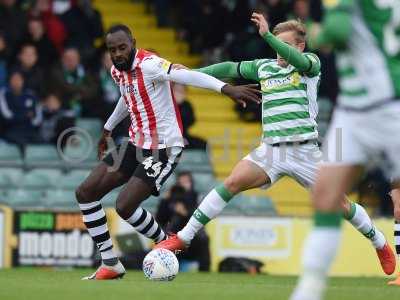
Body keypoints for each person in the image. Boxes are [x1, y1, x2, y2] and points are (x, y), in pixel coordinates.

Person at [155, 14, 395, 278]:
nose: (279, 52)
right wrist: (191, 74)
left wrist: (268, 35)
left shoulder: (309, 65)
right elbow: (229, 68)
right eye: (275, 45)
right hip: (271, 150)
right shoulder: (264, 67)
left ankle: (378, 241)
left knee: (341, 205)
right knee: (232, 182)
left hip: (304, 152)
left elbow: (300, 60)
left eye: (286, 45)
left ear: (300, 46)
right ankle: (183, 237)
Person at [75, 24, 261, 280]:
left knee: (125, 205)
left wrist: (226, 89)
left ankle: (167, 242)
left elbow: (187, 77)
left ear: (133, 43)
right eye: (112, 50)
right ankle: (110, 263)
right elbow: (126, 97)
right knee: (85, 193)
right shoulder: (117, 72)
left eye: (122, 48)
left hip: (163, 147)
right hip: (134, 143)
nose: (117, 54)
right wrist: (107, 128)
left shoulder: (151, 64)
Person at [284, 0, 400, 298]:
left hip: (386, 106)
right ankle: (309, 288)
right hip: (352, 110)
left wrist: (316, 32)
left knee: (327, 195)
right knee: (326, 193)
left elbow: (336, 30)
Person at [156, 182, 210, 272]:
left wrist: (184, 213)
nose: (178, 196)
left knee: (203, 239)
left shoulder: (191, 202)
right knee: (164, 239)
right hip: (173, 241)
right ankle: (164, 270)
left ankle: (205, 270)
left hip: (191, 242)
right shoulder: (167, 204)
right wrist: (164, 200)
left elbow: (198, 220)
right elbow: (160, 219)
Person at [0, 71, 41, 146]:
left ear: (23, 81)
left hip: (29, 130)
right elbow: (7, 117)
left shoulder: (31, 95)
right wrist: (26, 115)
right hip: (11, 130)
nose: (16, 82)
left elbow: (37, 119)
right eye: (14, 79)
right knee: (20, 142)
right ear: (9, 81)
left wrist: (18, 114)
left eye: (19, 79)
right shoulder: (3, 94)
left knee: (42, 141)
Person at [173, 83, 206, 149]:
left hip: (184, 136)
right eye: (177, 90)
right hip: (168, 136)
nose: (179, 93)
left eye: (182, 91)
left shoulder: (186, 105)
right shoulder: (166, 103)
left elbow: (191, 121)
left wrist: (180, 105)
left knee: (202, 143)